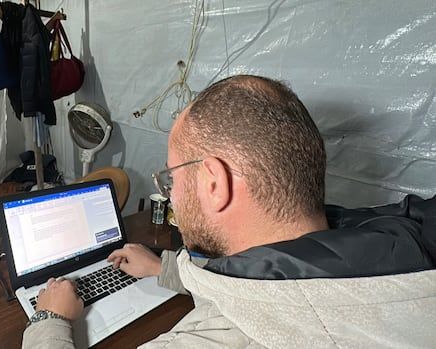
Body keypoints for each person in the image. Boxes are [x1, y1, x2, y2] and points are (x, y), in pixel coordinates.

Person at [22, 75, 436, 348]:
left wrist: (49, 317)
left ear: (214, 184)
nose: (170, 194)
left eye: (171, 178)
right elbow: (268, 274)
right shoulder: (390, 242)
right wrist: (166, 270)